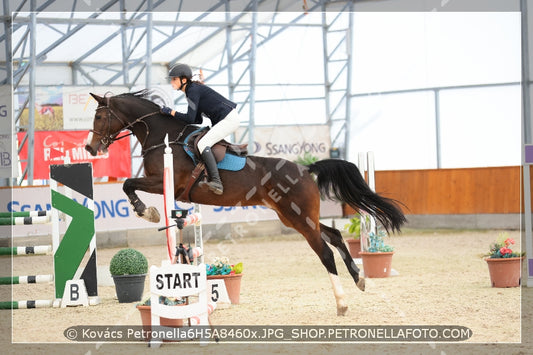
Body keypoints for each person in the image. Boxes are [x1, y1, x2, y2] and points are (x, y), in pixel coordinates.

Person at [160, 63, 240, 195]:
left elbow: (190, 118)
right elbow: (197, 120)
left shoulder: (192, 90)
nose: (171, 82)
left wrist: (171, 112)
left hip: (228, 119)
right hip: (225, 119)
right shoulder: (192, 90)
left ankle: (216, 181)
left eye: (174, 79)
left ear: (183, 80)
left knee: (203, 143)